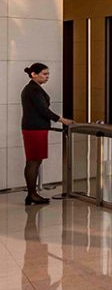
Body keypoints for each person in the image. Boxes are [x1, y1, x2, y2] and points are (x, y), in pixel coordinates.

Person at [20, 63, 72, 205]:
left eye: (48, 74)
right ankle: (32, 194)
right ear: (34, 74)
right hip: (34, 129)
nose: (47, 77)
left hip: (36, 128)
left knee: (35, 160)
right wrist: (62, 120)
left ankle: (32, 193)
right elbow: (43, 110)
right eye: (44, 74)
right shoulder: (33, 90)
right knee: (33, 161)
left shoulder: (34, 89)